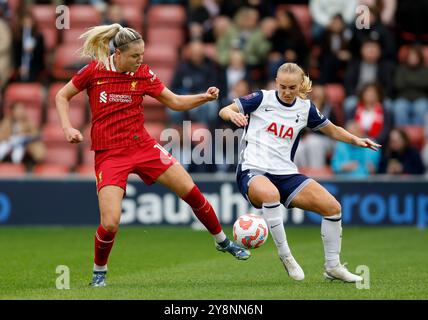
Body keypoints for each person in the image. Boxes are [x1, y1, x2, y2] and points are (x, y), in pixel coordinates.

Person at [55, 24, 250, 287]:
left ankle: (223, 241)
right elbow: (62, 95)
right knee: (110, 224)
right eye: (135, 56)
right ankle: (99, 273)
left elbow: (175, 102)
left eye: (142, 55)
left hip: (143, 147)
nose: (140, 60)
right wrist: (68, 127)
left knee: (190, 190)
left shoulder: (143, 73)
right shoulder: (95, 70)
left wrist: (204, 98)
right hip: (109, 154)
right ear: (119, 53)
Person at [219, 62, 381, 282]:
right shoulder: (261, 98)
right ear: (276, 82)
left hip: (286, 173)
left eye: (292, 88)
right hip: (253, 169)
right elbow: (224, 109)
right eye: (283, 86)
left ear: (300, 85)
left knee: (332, 208)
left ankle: (333, 267)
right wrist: (232, 115)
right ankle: (286, 256)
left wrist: (356, 140)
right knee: (270, 194)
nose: (286, 92)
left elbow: (332, 130)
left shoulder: (305, 109)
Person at [0, 102, 45, 166]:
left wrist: (24, 137)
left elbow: (36, 134)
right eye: (18, 109)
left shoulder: (29, 122)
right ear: (13, 111)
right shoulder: (7, 122)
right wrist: (10, 138)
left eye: (22, 109)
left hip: (25, 146)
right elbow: (1, 135)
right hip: (9, 145)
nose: (20, 112)